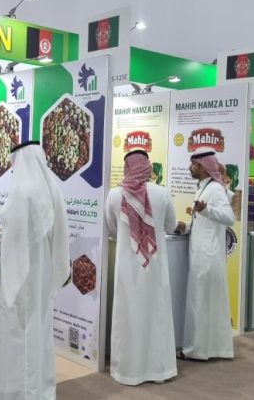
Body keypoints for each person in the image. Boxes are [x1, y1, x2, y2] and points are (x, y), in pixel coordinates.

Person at [0, 141, 70, 399]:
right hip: (42, 275)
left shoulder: (23, 192)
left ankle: (16, 393)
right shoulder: (52, 189)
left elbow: (14, 238)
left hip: (22, 278)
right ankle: (39, 392)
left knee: (17, 335)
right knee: (38, 335)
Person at [105, 150, 178, 385]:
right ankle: (159, 370)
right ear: (148, 167)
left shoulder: (114, 195)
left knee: (128, 315)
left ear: (127, 167)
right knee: (156, 314)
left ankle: (128, 370)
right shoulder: (162, 193)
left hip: (126, 269)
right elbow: (171, 226)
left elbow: (112, 229)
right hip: (155, 268)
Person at [177, 150, 236, 360]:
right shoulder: (204, 188)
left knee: (200, 302)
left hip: (207, 255)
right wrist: (185, 226)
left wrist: (207, 210)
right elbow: (203, 222)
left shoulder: (215, 190)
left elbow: (229, 218)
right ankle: (212, 349)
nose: (189, 168)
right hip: (202, 253)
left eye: (193, 165)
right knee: (205, 302)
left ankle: (196, 350)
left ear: (202, 167)